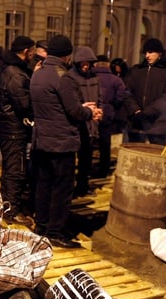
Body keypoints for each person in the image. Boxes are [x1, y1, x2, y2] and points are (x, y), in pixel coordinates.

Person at [30, 35, 102, 248]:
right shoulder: (64, 77)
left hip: (42, 140)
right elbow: (73, 111)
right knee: (61, 189)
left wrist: (82, 108)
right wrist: (90, 112)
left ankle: (41, 227)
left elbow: (54, 106)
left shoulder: (38, 74)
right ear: (67, 55)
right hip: (61, 143)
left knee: (44, 186)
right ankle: (55, 232)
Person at [0, 35, 36, 224]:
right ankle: (11, 211)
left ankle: (5, 205)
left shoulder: (12, 70)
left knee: (10, 168)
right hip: (13, 129)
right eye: (32, 51)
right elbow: (24, 105)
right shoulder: (17, 75)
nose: (34, 54)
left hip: (7, 127)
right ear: (26, 51)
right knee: (15, 170)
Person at [123, 38, 166, 145]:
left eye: (150, 52)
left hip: (159, 122)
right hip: (136, 122)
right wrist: (135, 110)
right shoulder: (137, 69)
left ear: (159, 53)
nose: (147, 56)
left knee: (156, 155)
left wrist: (147, 113)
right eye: (145, 52)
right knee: (135, 154)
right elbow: (127, 92)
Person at [67, 46, 103, 198]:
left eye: (88, 63)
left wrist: (100, 110)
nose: (86, 66)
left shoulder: (95, 78)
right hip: (77, 123)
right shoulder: (71, 77)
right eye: (83, 63)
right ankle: (70, 188)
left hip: (91, 123)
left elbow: (99, 97)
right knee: (70, 160)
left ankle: (83, 186)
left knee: (86, 158)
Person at [93, 54, 128, 177]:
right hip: (107, 112)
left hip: (90, 111)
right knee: (105, 142)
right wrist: (113, 104)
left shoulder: (90, 77)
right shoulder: (115, 80)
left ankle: (87, 168)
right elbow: (121, 96)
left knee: (88, 141)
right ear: (108, 65)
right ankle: (104, 169)